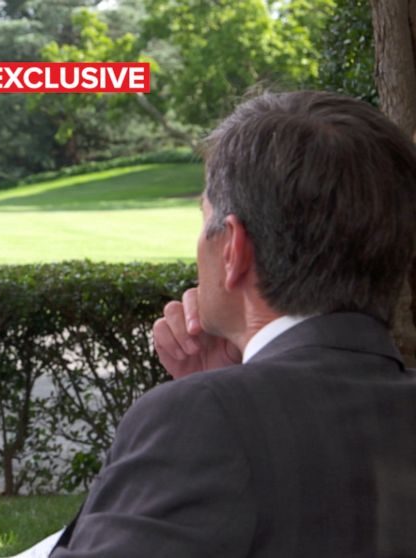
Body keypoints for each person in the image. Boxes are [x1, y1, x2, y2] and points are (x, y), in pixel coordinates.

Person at [50, 91, 416, 557]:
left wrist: (215, 402)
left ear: (233, 249)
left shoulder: (201, 416)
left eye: (205, 218)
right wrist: (234, 386)